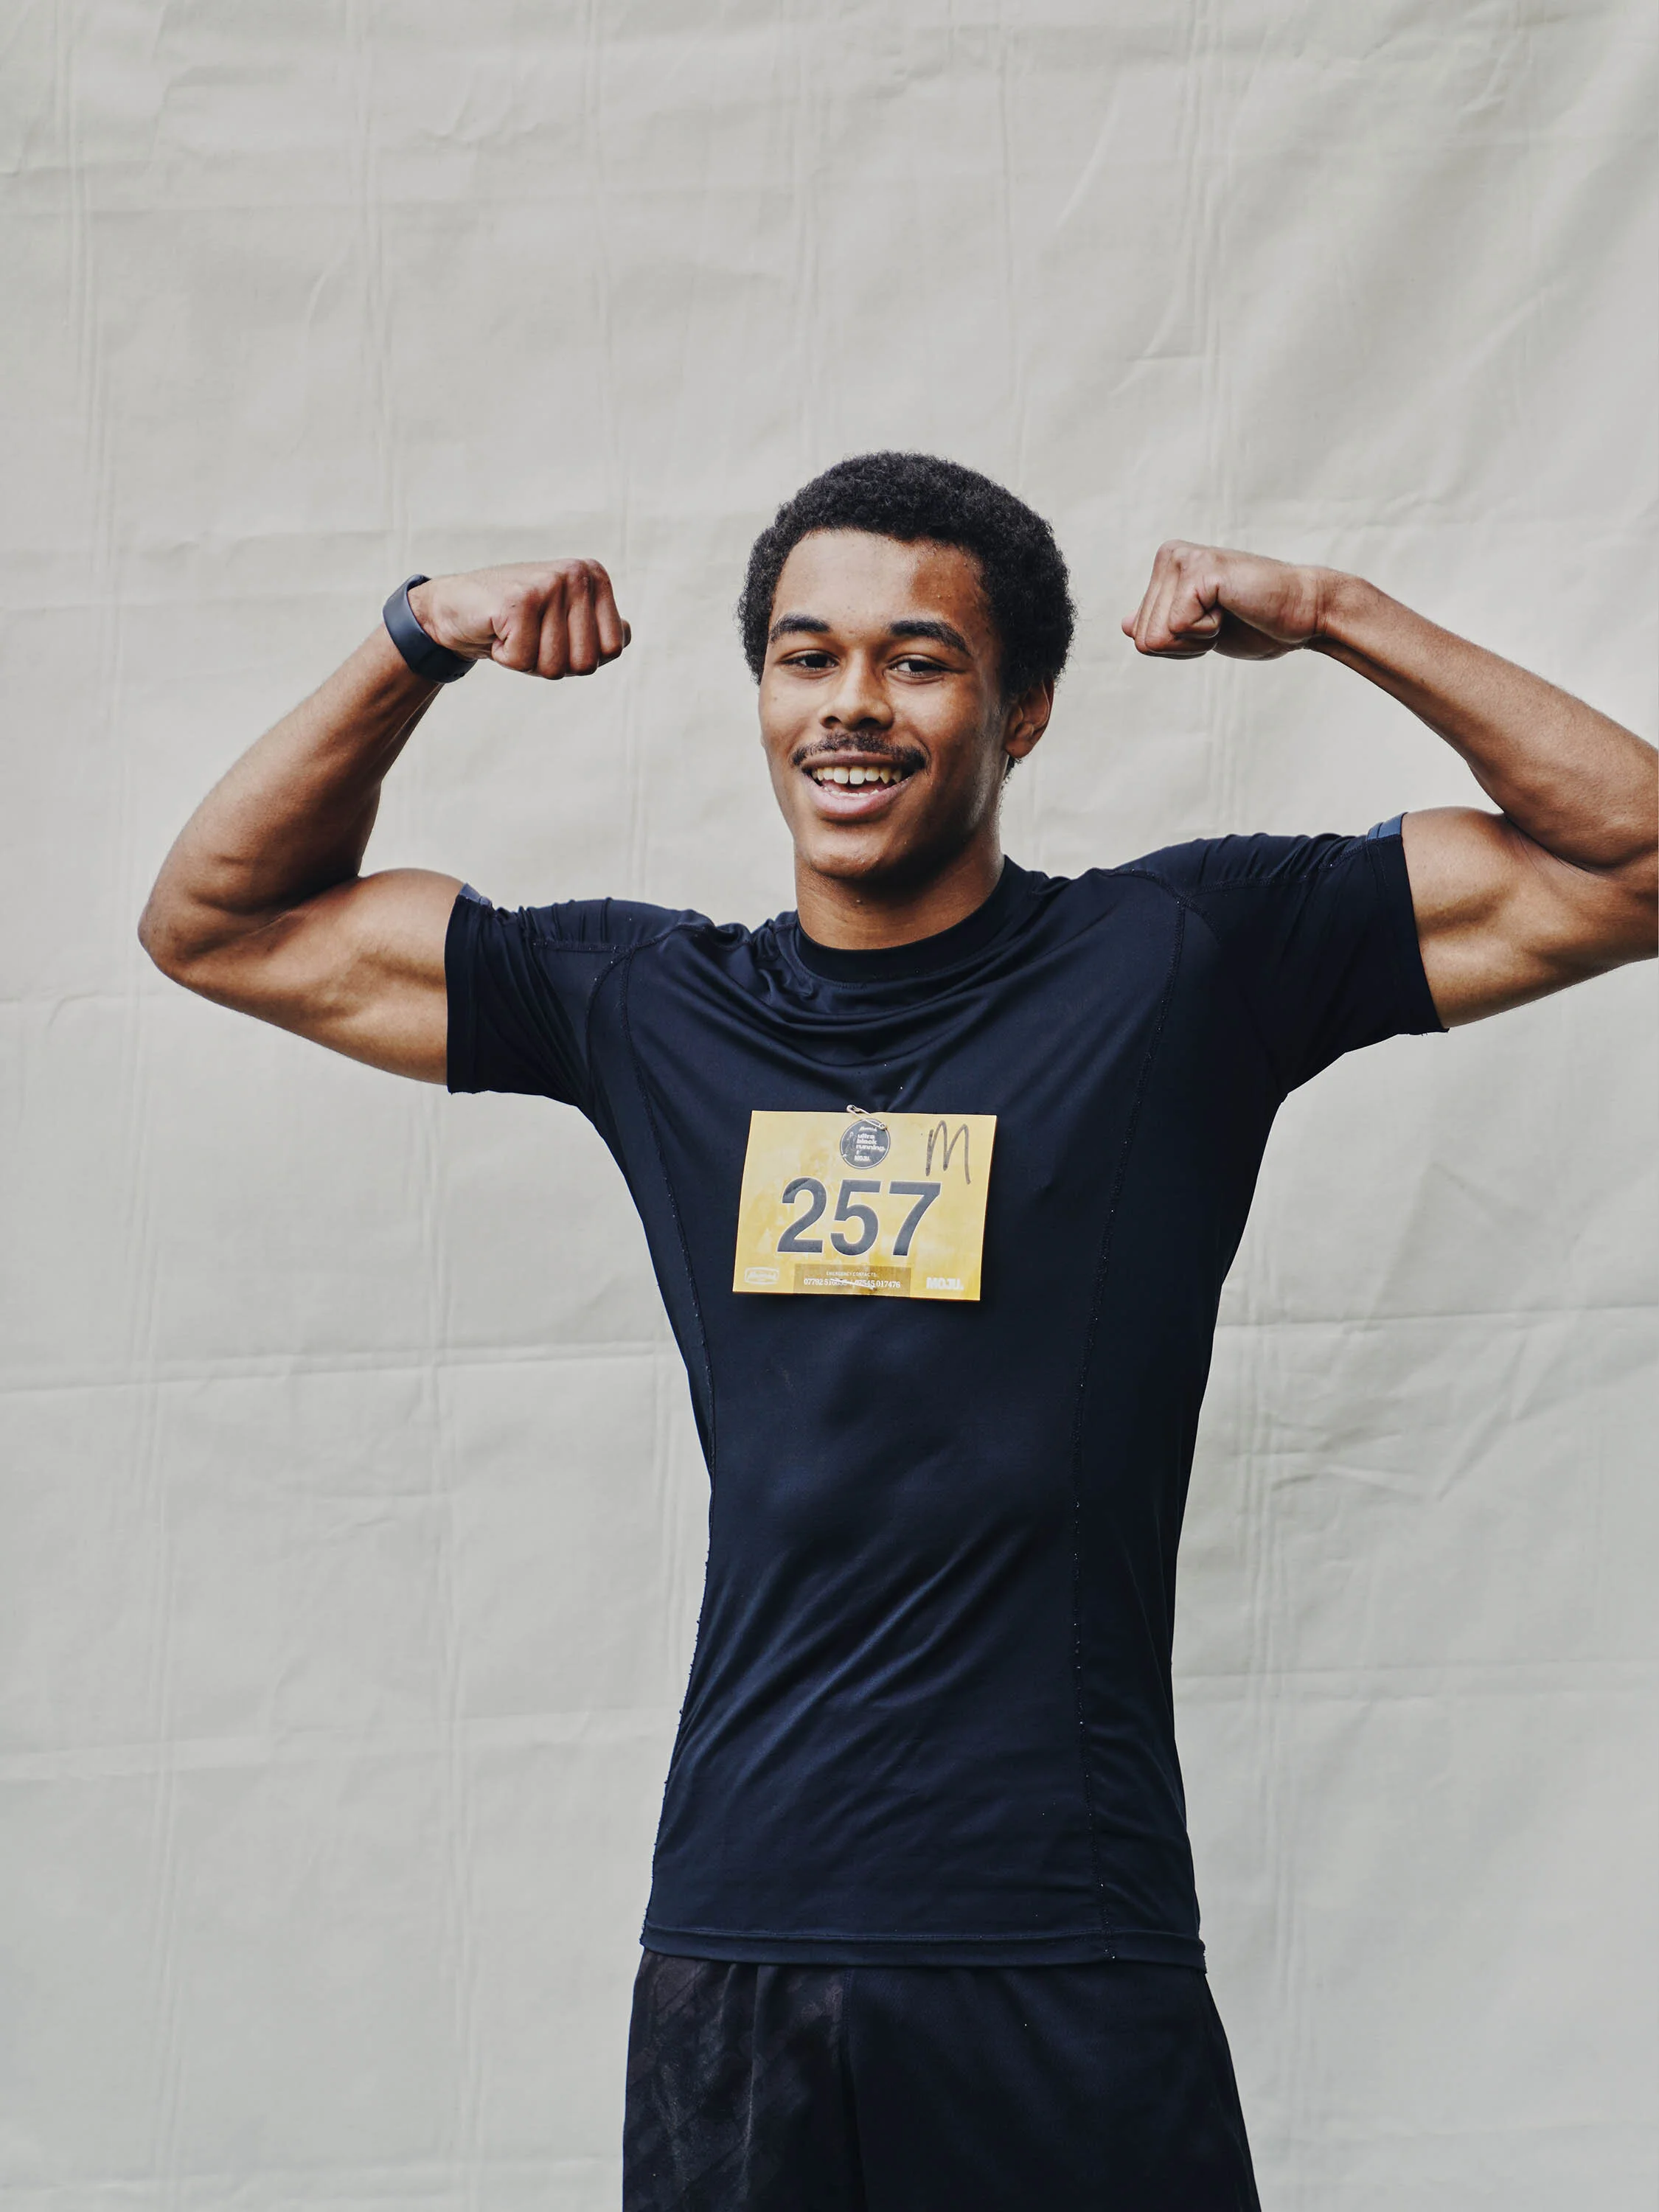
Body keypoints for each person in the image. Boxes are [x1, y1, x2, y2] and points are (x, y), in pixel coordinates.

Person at [139, 453, 1655, 2211]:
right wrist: (414, 639)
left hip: (1061, 1945)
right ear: (764, 697)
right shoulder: (654, 1006)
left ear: (1025, 709)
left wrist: (1333, 615)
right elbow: (219, 922)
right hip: (744, 1946)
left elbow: (1626, 857)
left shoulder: (1179, 962)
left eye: (919, 660)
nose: (853, 705)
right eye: (807, 656)